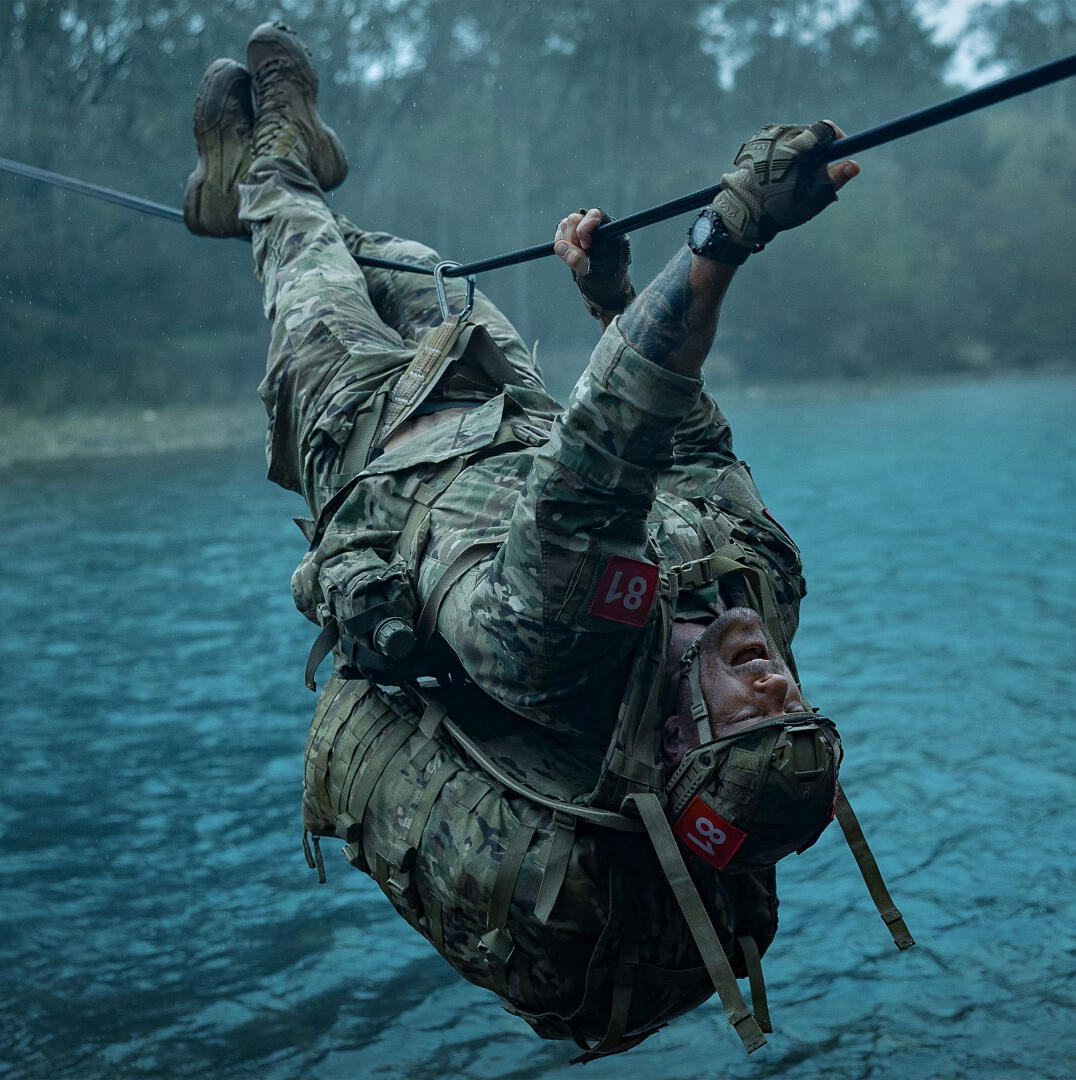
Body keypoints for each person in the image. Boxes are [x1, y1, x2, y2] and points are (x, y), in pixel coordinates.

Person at [184, 24, 908, 1058]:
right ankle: (244, 187)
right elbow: (690, 441)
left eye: (750, 719)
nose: (779, 687)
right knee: (417, 267)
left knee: (302, 236)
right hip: (507, 408)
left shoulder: (561, 650)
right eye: (796, 707)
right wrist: (613, 298)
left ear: (674, 741)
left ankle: (261, 170)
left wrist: (725, 233)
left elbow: (611, 446)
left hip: (371, 439)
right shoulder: (760, 594)